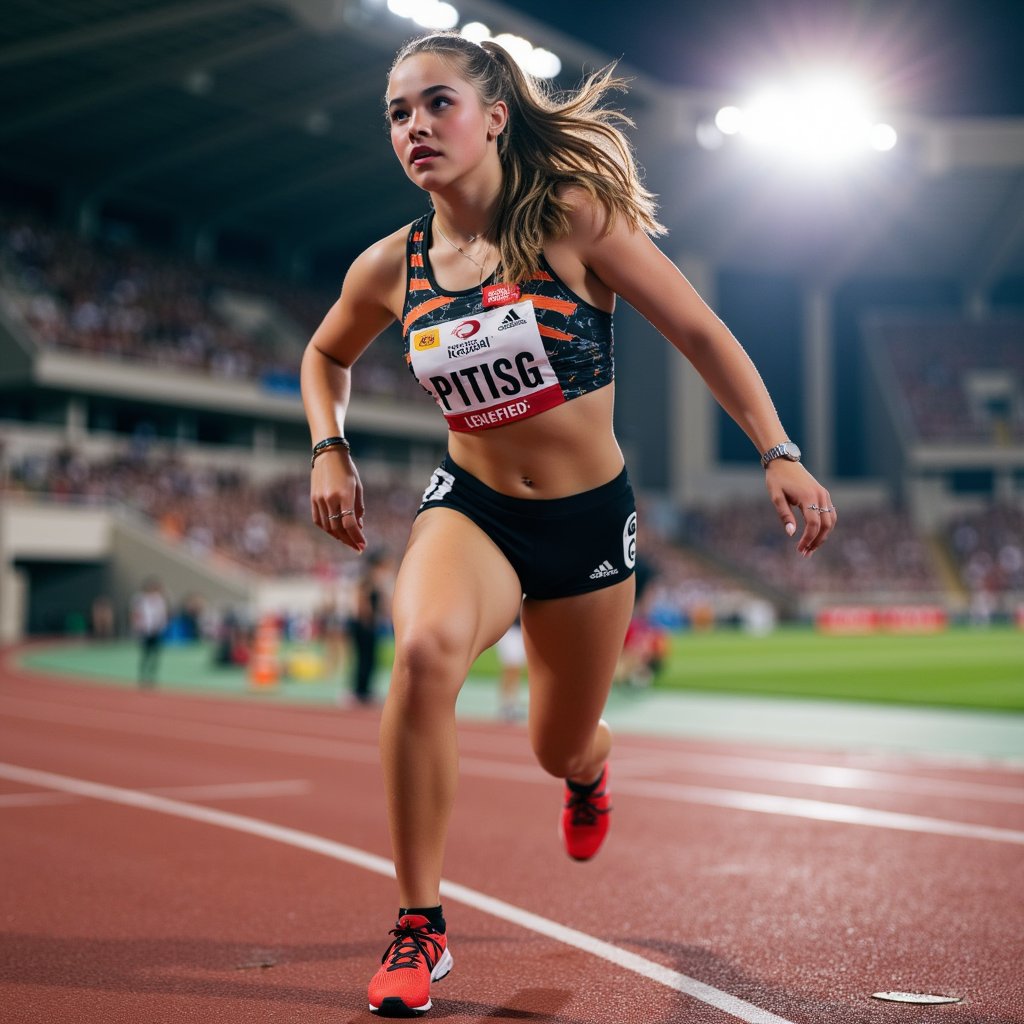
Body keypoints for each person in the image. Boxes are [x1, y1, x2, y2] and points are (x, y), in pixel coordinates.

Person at [301, 31, 836, 1017]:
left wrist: (778, 449)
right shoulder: (392, 264)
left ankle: (587, 771)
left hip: (586, 527)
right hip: (472, 509)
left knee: (558, 740)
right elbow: (324, 355)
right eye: (396, 113)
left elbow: (700, 331)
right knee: (420, 654)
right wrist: (326, 447)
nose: (415, 127)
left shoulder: (573, 224)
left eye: (437, 104)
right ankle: (421, 923)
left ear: (495, 116)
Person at [346, 549, 393, 705]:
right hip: (363, 624)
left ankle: (365, 690)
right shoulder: (366, 580)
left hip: (370, 624)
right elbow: (362, 602)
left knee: (371, 659)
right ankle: (358, 691)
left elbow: (384, 603)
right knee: (363, 659)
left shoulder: (376, 581)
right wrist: (367, 620)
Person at [131, 577, 168, 688]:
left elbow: (163, 615)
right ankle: (142, 677)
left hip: (157, 631)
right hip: (145, 631)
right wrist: (139, 627)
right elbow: (136, 614)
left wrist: (161, 627)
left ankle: (152, 677)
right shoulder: (140, 599)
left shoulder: (160, 600)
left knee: (155, 655)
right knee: (145, 655)